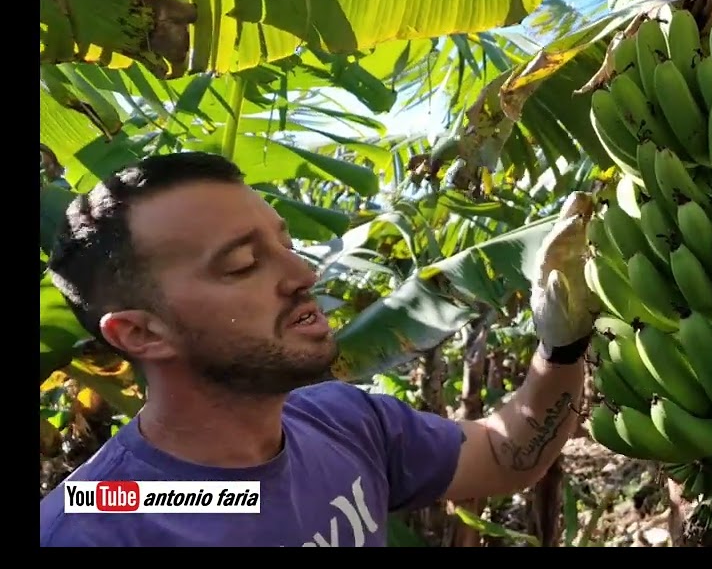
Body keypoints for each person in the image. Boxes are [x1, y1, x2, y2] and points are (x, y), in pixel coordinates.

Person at [39, 151, 596, 547]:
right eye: (241, 265)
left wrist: (562, 345)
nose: (303, 274)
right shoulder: (99, 522)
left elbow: (503, 456)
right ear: (140, 333)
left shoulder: (344, 421)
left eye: (285, 243)